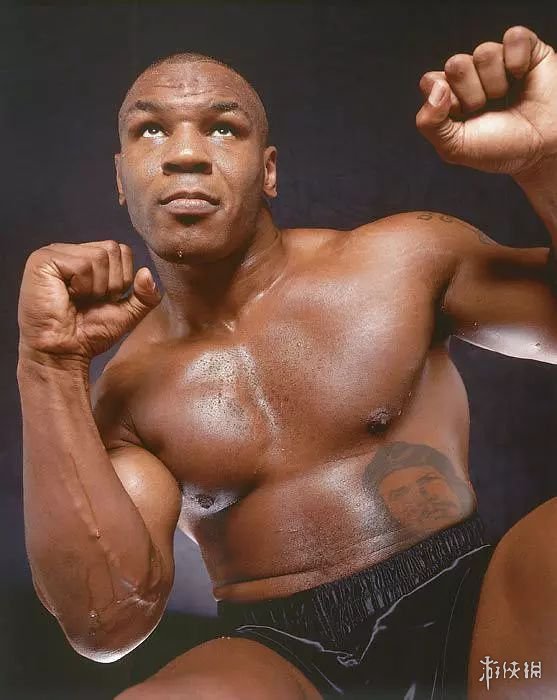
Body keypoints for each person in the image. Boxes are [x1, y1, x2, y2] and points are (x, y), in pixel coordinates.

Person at [16, 24, 557, 699]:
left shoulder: (401, 261)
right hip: (288, 662)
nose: (185, 154)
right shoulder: (128, 397)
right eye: (150, 131)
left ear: (268, 170)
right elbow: (105, 624)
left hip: (488, 637)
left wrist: (547, 163)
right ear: (121, 180)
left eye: (223, 128)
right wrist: (49, 366)